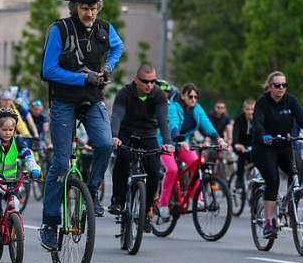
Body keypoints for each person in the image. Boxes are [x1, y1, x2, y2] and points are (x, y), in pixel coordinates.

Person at [39, 0, 123, 251]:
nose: (90, 13)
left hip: (93, 99)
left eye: (94, 8)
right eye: (85, 8)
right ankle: (49, 223)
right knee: (61, 163)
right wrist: (82, 78)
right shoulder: (59, 30)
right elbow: (48, 71)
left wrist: (108, 67)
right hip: (63, 101)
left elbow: (118, 47)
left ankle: (92, 191)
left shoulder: (105, 28)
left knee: (105, 144)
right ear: (75, 8)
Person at [251, 71, 303, 239]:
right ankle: (268, 223)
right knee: (272, 180)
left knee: (298, 171)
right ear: (270, 87)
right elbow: (257, 122)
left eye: (284, 85)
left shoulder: (291, 100)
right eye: (277, 85)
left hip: (284, 146)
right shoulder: (262, 102)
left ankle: (291, 203)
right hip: (264, 147)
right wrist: (263, 134)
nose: (281, 88)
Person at [108, 65, 175, 231]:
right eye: (145, 81)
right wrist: (114, 135)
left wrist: (167, 142)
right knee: (123, 159)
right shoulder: (124, 93)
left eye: (152, 81)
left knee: (154, 170)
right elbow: (116, 115)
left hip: (148, 134)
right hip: (127, 133)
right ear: (136, 80)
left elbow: (162, 119)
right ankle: (118, 199)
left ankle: (145, 212)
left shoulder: (158, 94)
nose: (149, 85)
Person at [156, 83, 228, 219]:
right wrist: (178, 139)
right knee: (172, 169)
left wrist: (219, 139)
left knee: (196, 163)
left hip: (184, 143)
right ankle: (163, 204)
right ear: (183, 96)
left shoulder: (197, 109)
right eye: (190, 97)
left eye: (196, 97)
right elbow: (173, 125)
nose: (193, 100)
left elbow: (207, 125)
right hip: (166, 142)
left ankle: (198, 199)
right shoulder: (173, 107)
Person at [0, 107, 41, 234]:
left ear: (15, 129)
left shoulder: (17, 141)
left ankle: (13, 225)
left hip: (11, 179)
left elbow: (28, 155)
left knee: (15, 202)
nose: (7, 133)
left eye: (11, 130)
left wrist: (35, 168)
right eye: (4, 130)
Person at [232, 97, 256, 190]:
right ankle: (240, 178)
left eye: (252, 109)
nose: (250, 112)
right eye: (248, 109)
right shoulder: (239, 119)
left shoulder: (257, 119)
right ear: (244, 109)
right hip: (240, 144)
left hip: (253, 145)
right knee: (242, 154)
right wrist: (237, 143)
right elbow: (235, 133)